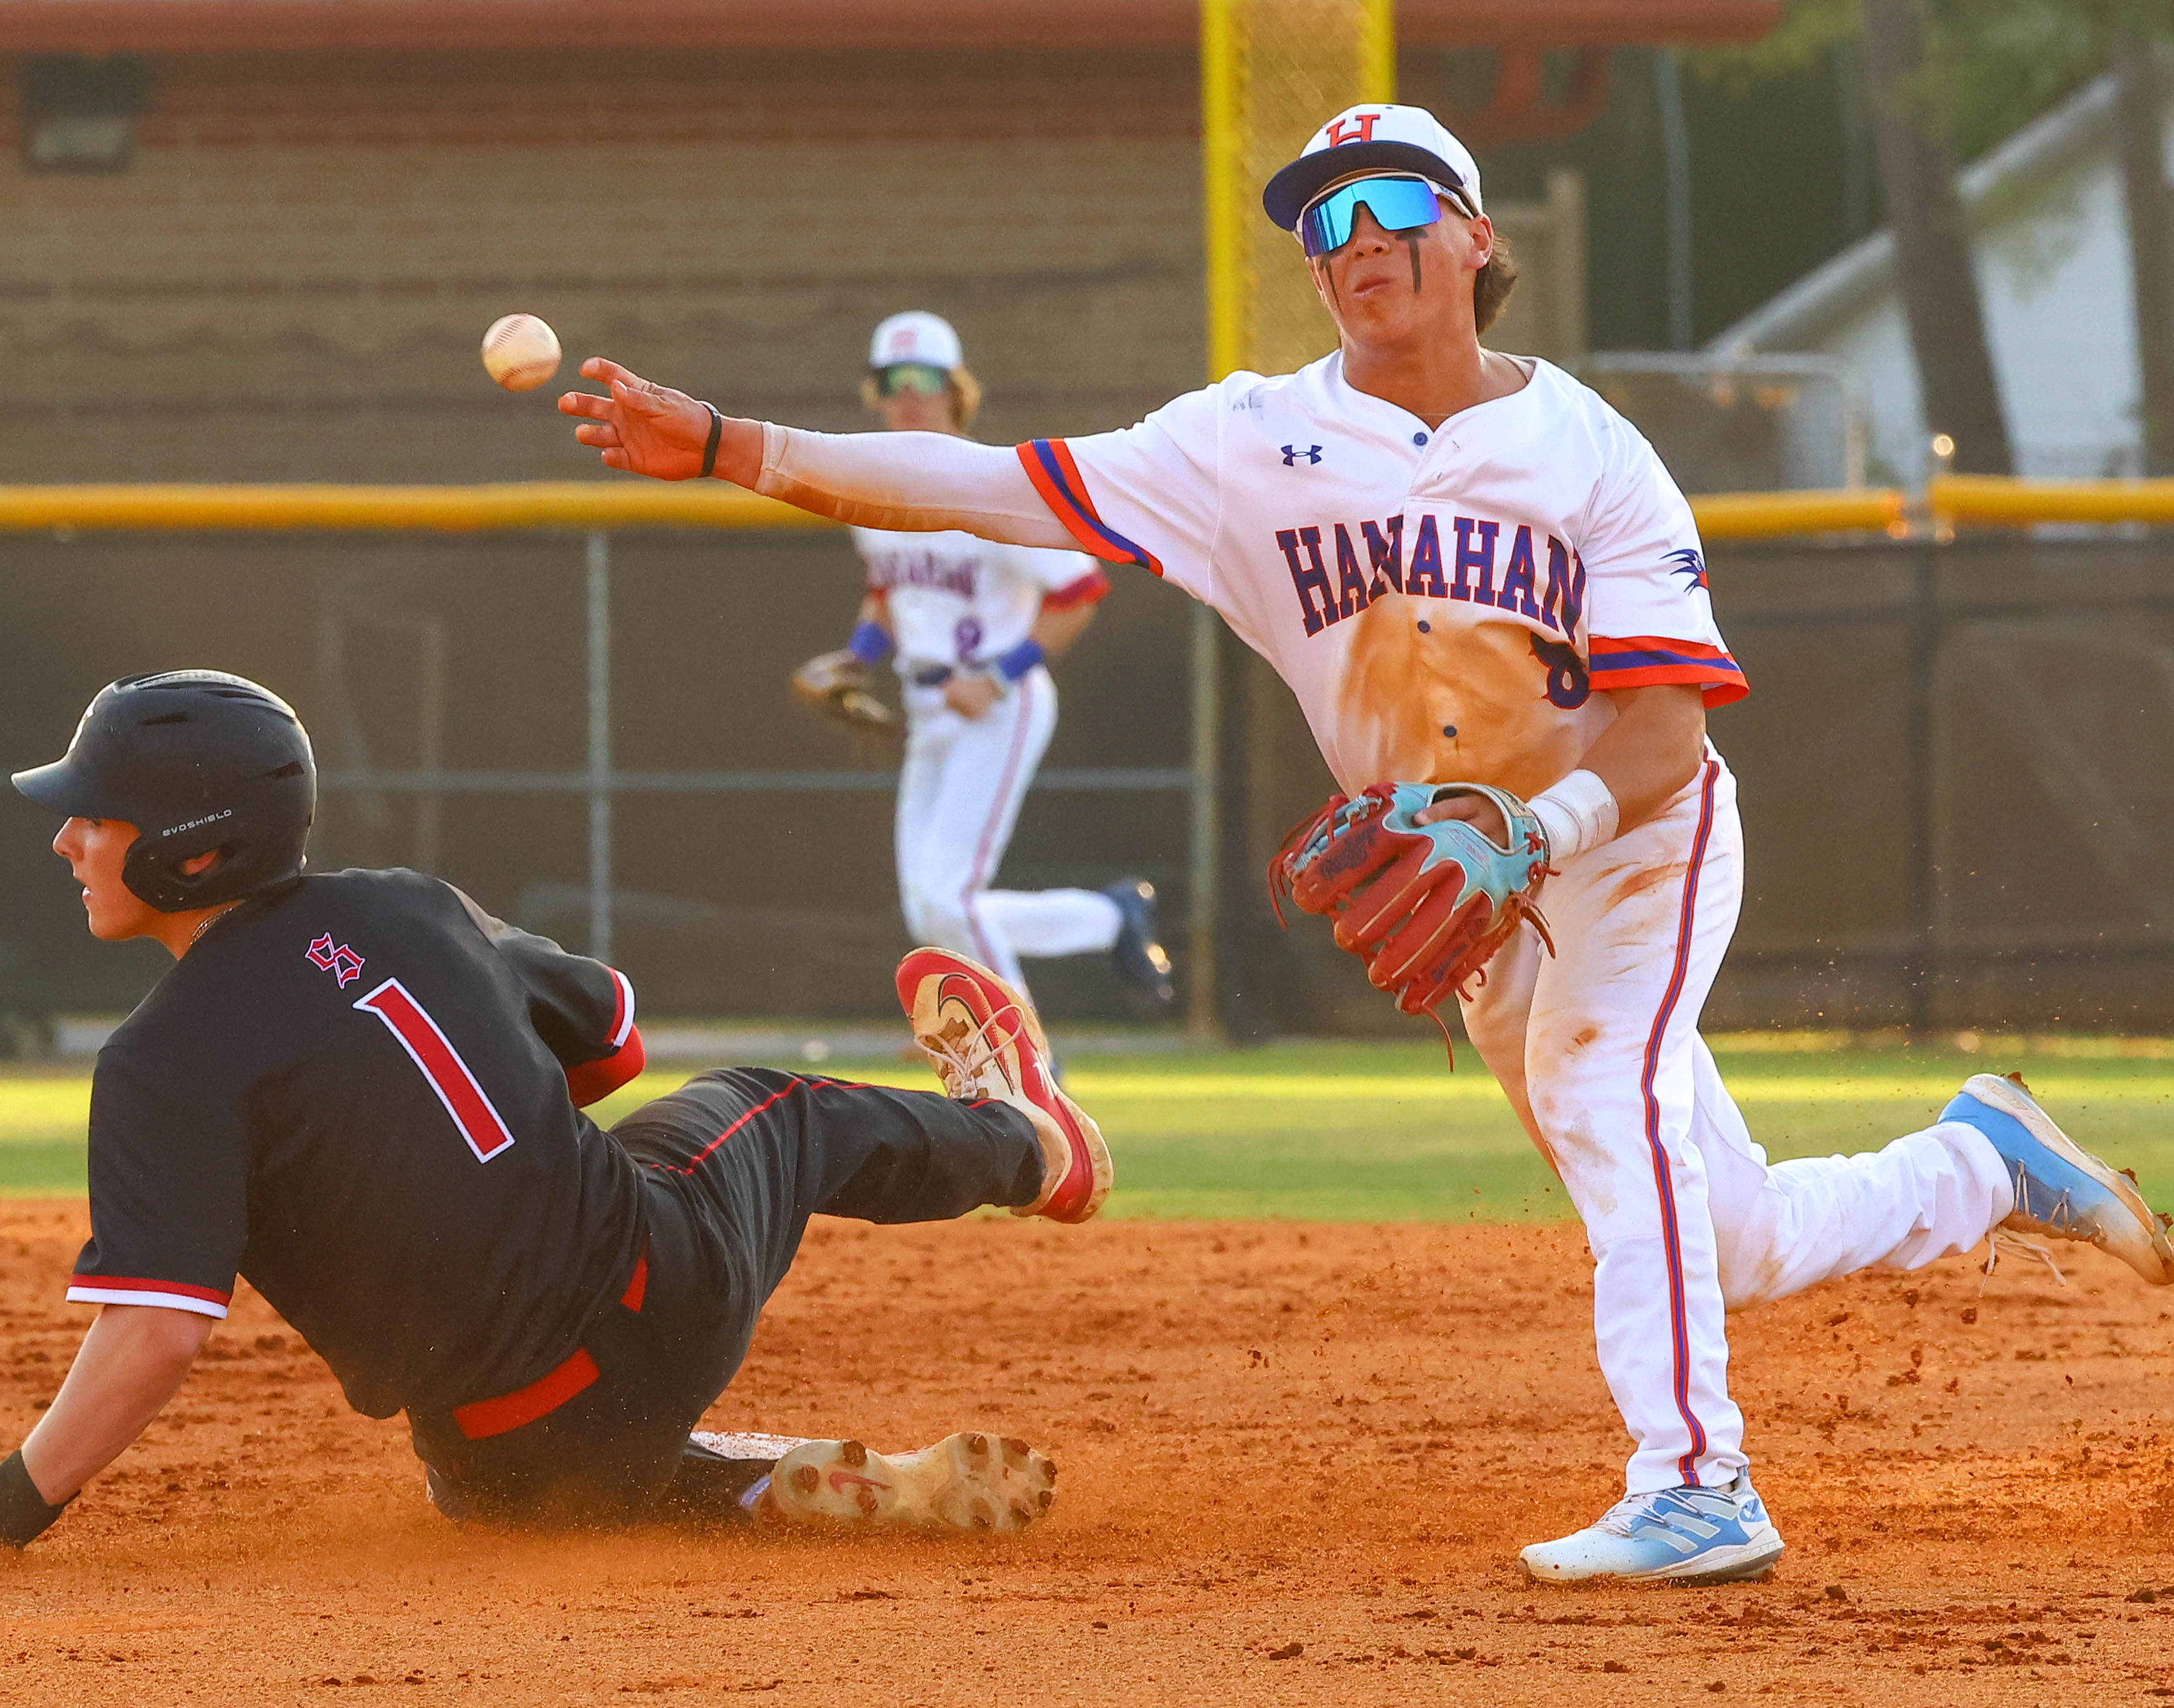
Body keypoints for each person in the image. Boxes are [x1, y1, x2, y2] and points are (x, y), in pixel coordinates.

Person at [558, 102, 2174, 1584]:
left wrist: (1528, 835)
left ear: (1476, 240)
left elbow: (1666, 731)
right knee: (1714, 1232)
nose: (1356, 239)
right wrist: (727, 443)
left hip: (1630, 842)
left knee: (1609, 1105)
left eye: (1395, 199)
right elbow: (989, 487)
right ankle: (1981, 1163)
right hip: (1470, 906)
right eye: (1322, 220)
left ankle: (1698, 1483)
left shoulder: (1592, 456)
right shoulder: (1242, 447)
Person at [0, 670, 1108, 1553]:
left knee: (536, 1443)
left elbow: (155, 1330)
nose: (65, 841)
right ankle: (1031, 1146)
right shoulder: (407, 906)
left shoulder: (157, 1065)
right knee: (767, 1108)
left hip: (489, 1461)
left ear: (188, 849)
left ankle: (754, 1467)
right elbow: (610, 1040)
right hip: (662, 1302)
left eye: (93, 818)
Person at [806, 310, 1176, 1012]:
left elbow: (1079, 590)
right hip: (928, 708)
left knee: (949, 898)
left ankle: (1030, 1070)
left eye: (922, 378)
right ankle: (1109, 917)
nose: (907, 393)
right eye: (891, 379)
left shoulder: (988, 485)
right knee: (930, 912)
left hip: (998, 704)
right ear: (875, 393)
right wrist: (857, 659)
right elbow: (889, 590)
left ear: (954, 388)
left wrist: (998, 674)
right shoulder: (863, 492)